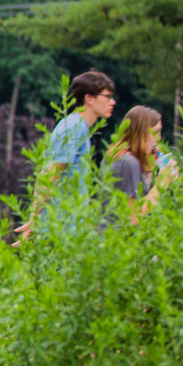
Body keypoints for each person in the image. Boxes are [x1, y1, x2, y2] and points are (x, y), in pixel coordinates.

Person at [15, 70, 117, 242]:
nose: (112, 102)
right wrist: (34, 219)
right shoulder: (74, 128)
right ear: (89, 98)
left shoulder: (79, 127)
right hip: (59, 229)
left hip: (69, 228)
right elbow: (50, 174)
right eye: (107, 96)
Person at [108, 105, 175, 219]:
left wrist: (148, 167)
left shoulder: (126, 159)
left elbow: (141, 198)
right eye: (156, 132)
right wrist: (160, 185)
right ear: (141, 133)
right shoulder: (128, 162)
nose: (158, 138)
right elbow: (133, 217)